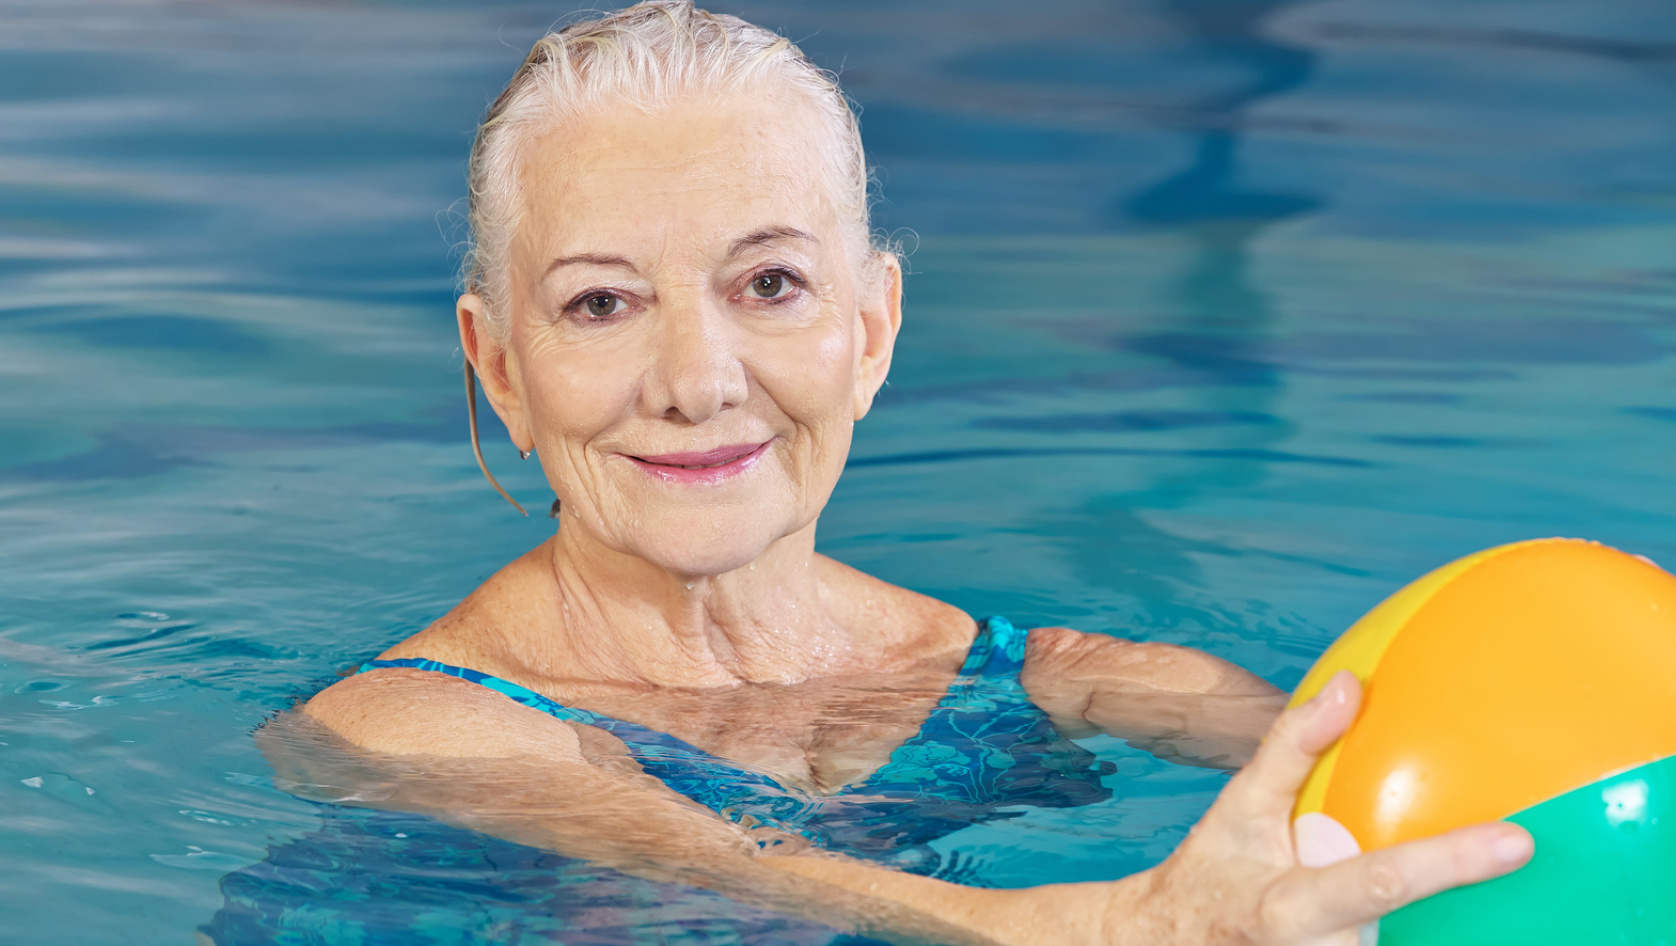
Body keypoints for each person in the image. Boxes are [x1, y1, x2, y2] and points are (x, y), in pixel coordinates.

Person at [273, 4, 1532, 943]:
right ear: (500, 367)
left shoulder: (1034, 679)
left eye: (768, 285)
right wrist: (1092, 924)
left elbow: (1390, 768)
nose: (696, 381)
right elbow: (708, 864)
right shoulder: (411, 724)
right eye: (600, 302)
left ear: (870, 329)